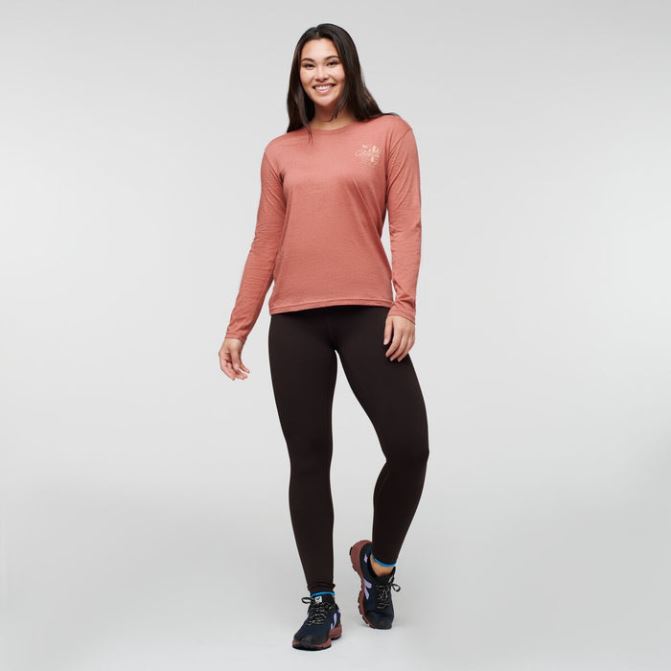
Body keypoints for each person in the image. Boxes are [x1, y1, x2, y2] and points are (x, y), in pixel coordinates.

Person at [218, 23, 429, 651]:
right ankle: (321, 601)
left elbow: (407, 225)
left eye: (331, 62)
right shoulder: (281, 151)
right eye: (309, 65)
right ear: (298, 76)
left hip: (367, 312)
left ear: (349, 68)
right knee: (309, 460)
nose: (321, 74)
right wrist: (238, 327)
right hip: (295, 322)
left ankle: (377, 568)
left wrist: (404, 304)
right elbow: (266, 242)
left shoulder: (388, 133)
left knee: (410, 447)